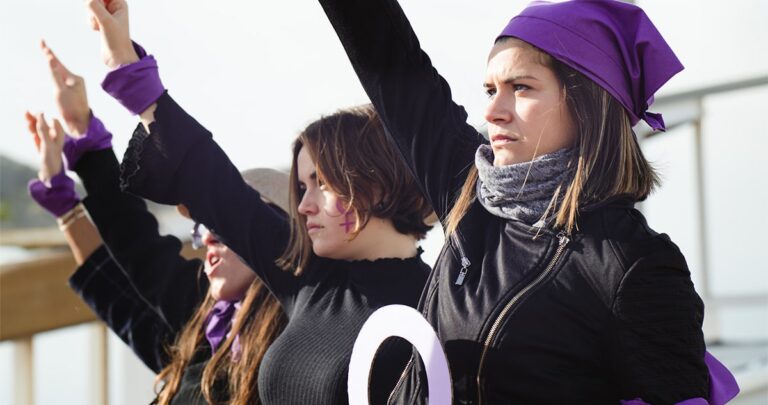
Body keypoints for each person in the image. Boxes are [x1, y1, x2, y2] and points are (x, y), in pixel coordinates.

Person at [318, 0, 738, 403]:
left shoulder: (632, 263)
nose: (494, 112)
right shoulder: (468, 191)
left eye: (521, 87)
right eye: (490, 90)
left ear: (587, 102)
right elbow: (388, 57)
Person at [82, 1, 436, 403]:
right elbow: (213, 183)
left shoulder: (442, 306)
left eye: (321, 183)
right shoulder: (309, 278)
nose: (304, 206)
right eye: (301, 189)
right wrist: (127, 66)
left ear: (375, 182)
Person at [26, 42, 287, 404]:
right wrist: (79, 146)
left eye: (224, 227)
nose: (209, 238)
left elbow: (141, 251)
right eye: (204, 229)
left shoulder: (295, 340)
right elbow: (129, 274)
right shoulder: (205, 322)